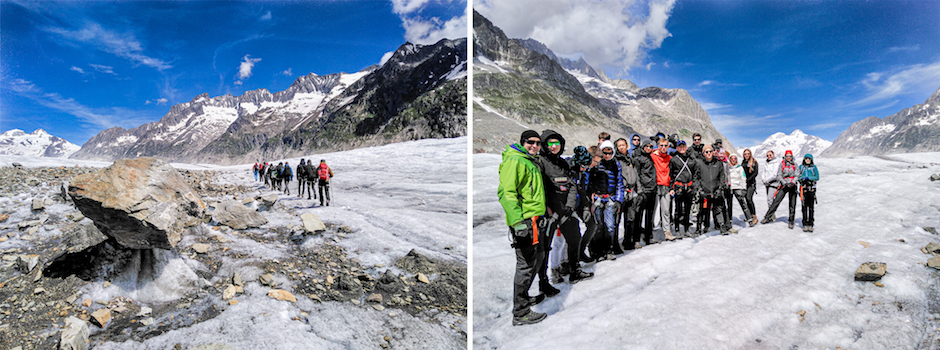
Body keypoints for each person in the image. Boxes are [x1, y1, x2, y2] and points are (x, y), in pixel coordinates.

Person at [497, 130, 548, 326]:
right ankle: (520, 313)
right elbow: (506, 193)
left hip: (535, 219)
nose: (534, 146)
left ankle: (523, 298)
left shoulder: (529, 160)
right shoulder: (515, 161)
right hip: (525, 222)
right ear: (522, 142)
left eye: (537, 143)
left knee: (538, 257)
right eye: (530, 142)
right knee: (525, 266)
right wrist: (517, 223)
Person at [539, 130, 593, 286]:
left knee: (574, 238)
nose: (554, 146)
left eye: (557, 143)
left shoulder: (563, 163)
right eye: (550, 143)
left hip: (565, 211)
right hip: (550, 212)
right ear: (545, 144)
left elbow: (571, 187)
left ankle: (574, 270)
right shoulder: (540, 162)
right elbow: (541, 189)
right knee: (549, 246)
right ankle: (549, 277)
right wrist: (549, 210)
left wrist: (569, 207)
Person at [588, 140, 625, 260]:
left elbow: (619, 183)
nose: (607, 155)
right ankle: (597, 252)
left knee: (610, 226)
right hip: (598, 198)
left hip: (610, 198)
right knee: (598, 226)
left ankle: (609, 250)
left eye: (609, 153)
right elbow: (589, 181)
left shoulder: (616, 164)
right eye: (605, 152)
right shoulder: (596, 163)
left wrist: (618, 200)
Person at [694, 144, 730, 235]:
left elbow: (722, 177)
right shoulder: (699, 163)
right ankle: (699, 229)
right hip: (704, 191)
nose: (709, 153)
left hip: (716, 190)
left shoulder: (718, 163)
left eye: (710, 151)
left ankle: (722, 227)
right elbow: (696, 178)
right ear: (703, 153)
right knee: (702, 211)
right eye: (706, 152)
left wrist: (720, 188)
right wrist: (699, 189)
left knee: (718, 209)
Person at [761, 150, 799, 229]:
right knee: (776, 201)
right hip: (784, 185)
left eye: (790, 156)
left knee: (792, 203)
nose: (788, 157)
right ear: (785, 157)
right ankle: (767, 217)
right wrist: (784, 182)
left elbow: (797, 175)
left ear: (792, 157)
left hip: (793, 185)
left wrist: (792, 182)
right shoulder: (782, 164)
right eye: (787, 156)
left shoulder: (795, 164)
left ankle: (791, 221)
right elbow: (779, 174)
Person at [614, 138, 639, 250]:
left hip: (631, 192)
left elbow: (635, 175)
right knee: (617, 220)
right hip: (620, 192)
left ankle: (628, 240)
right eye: (619, 146)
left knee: (630, 218)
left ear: (627, 146)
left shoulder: (630, 160)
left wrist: (640, 191)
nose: (622, 147)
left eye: (623, 145)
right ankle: (614, 243)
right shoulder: (615, 160)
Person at [633, 140, 657, 245]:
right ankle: (636, 239)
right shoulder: (638, 159)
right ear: (643, 147)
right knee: (639, 215)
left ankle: (648, 237)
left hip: (652, 189)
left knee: (650, 215)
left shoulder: (650, 157)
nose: (648, 148)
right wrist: (640, 189)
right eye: (646, 146)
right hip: (643, 190)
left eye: (650, 146)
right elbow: (637, 174)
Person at [650, 136, 675, 240]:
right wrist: (654, 150)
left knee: (666, 210)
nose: (664, 147)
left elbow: (673, 173)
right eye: (661, 145)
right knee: (653, 210)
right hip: (656, 186)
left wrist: (672, 187)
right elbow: (645, 151)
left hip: (666, 186)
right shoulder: (653, 156)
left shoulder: (670, 159)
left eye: (665, 146)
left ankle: (667, 232)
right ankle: (649, 231)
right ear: (658, 146)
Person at [669, 140, 695, 236]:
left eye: (683, 146)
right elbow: (671, 175)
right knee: (678, 210)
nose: (682, 148)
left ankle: (687, 229)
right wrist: (671, 188)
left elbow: (695, 173)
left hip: (689, 187)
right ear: (677, 148)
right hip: (678, 187)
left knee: (687, 209)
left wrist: (694, 185)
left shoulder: (691, 159)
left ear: (686, 147)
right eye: (679, 146)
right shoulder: (673, 160)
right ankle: (677, 230)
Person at [728, 155, 758, 229]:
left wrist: (743, 188)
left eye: (735, 158)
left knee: (743, 204)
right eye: (732, 159)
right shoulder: (728, 168)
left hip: (737, 187)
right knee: (729, 205)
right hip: (730, 187)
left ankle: (750, 219)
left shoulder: (740, 167)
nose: (733, 160)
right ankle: (729, 220)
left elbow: (743, 178)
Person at [798, 154, 819, 232]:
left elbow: (817, 177)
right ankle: (805, 224)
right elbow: (798, 176)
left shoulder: (814, 167)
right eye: (806, 158)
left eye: (809, 159)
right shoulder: (801, 167)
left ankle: (810, 223)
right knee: (804, 207)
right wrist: (803, 179)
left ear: (811, 159)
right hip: (803, 189)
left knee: (811, 207)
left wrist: (809, 178)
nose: (807, 160)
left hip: (811, 189)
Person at [761, 151, 781, 219]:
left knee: (770, 199)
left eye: (770, 155)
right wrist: (763, 179)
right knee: (769, 199)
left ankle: (771, 215)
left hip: (773, 183)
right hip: (767, 183)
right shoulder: (766, 163)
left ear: (773, 155)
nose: (769, 156)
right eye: (767, 155)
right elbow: (764, 172)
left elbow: (775, 174)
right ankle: (772, 214)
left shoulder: (776, 163)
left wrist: (767, 180)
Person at [741, 149, 759, 221]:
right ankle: (749, 215)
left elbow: (755, 173)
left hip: (751, 184)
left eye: (748, 153)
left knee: (749, 198)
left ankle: (754, 216)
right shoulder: (743, 162)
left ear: (750, 154)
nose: (747, 155)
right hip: (745, 184)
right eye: (745, 154)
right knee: (746, 200)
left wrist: (748, 180)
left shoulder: (754, 162)